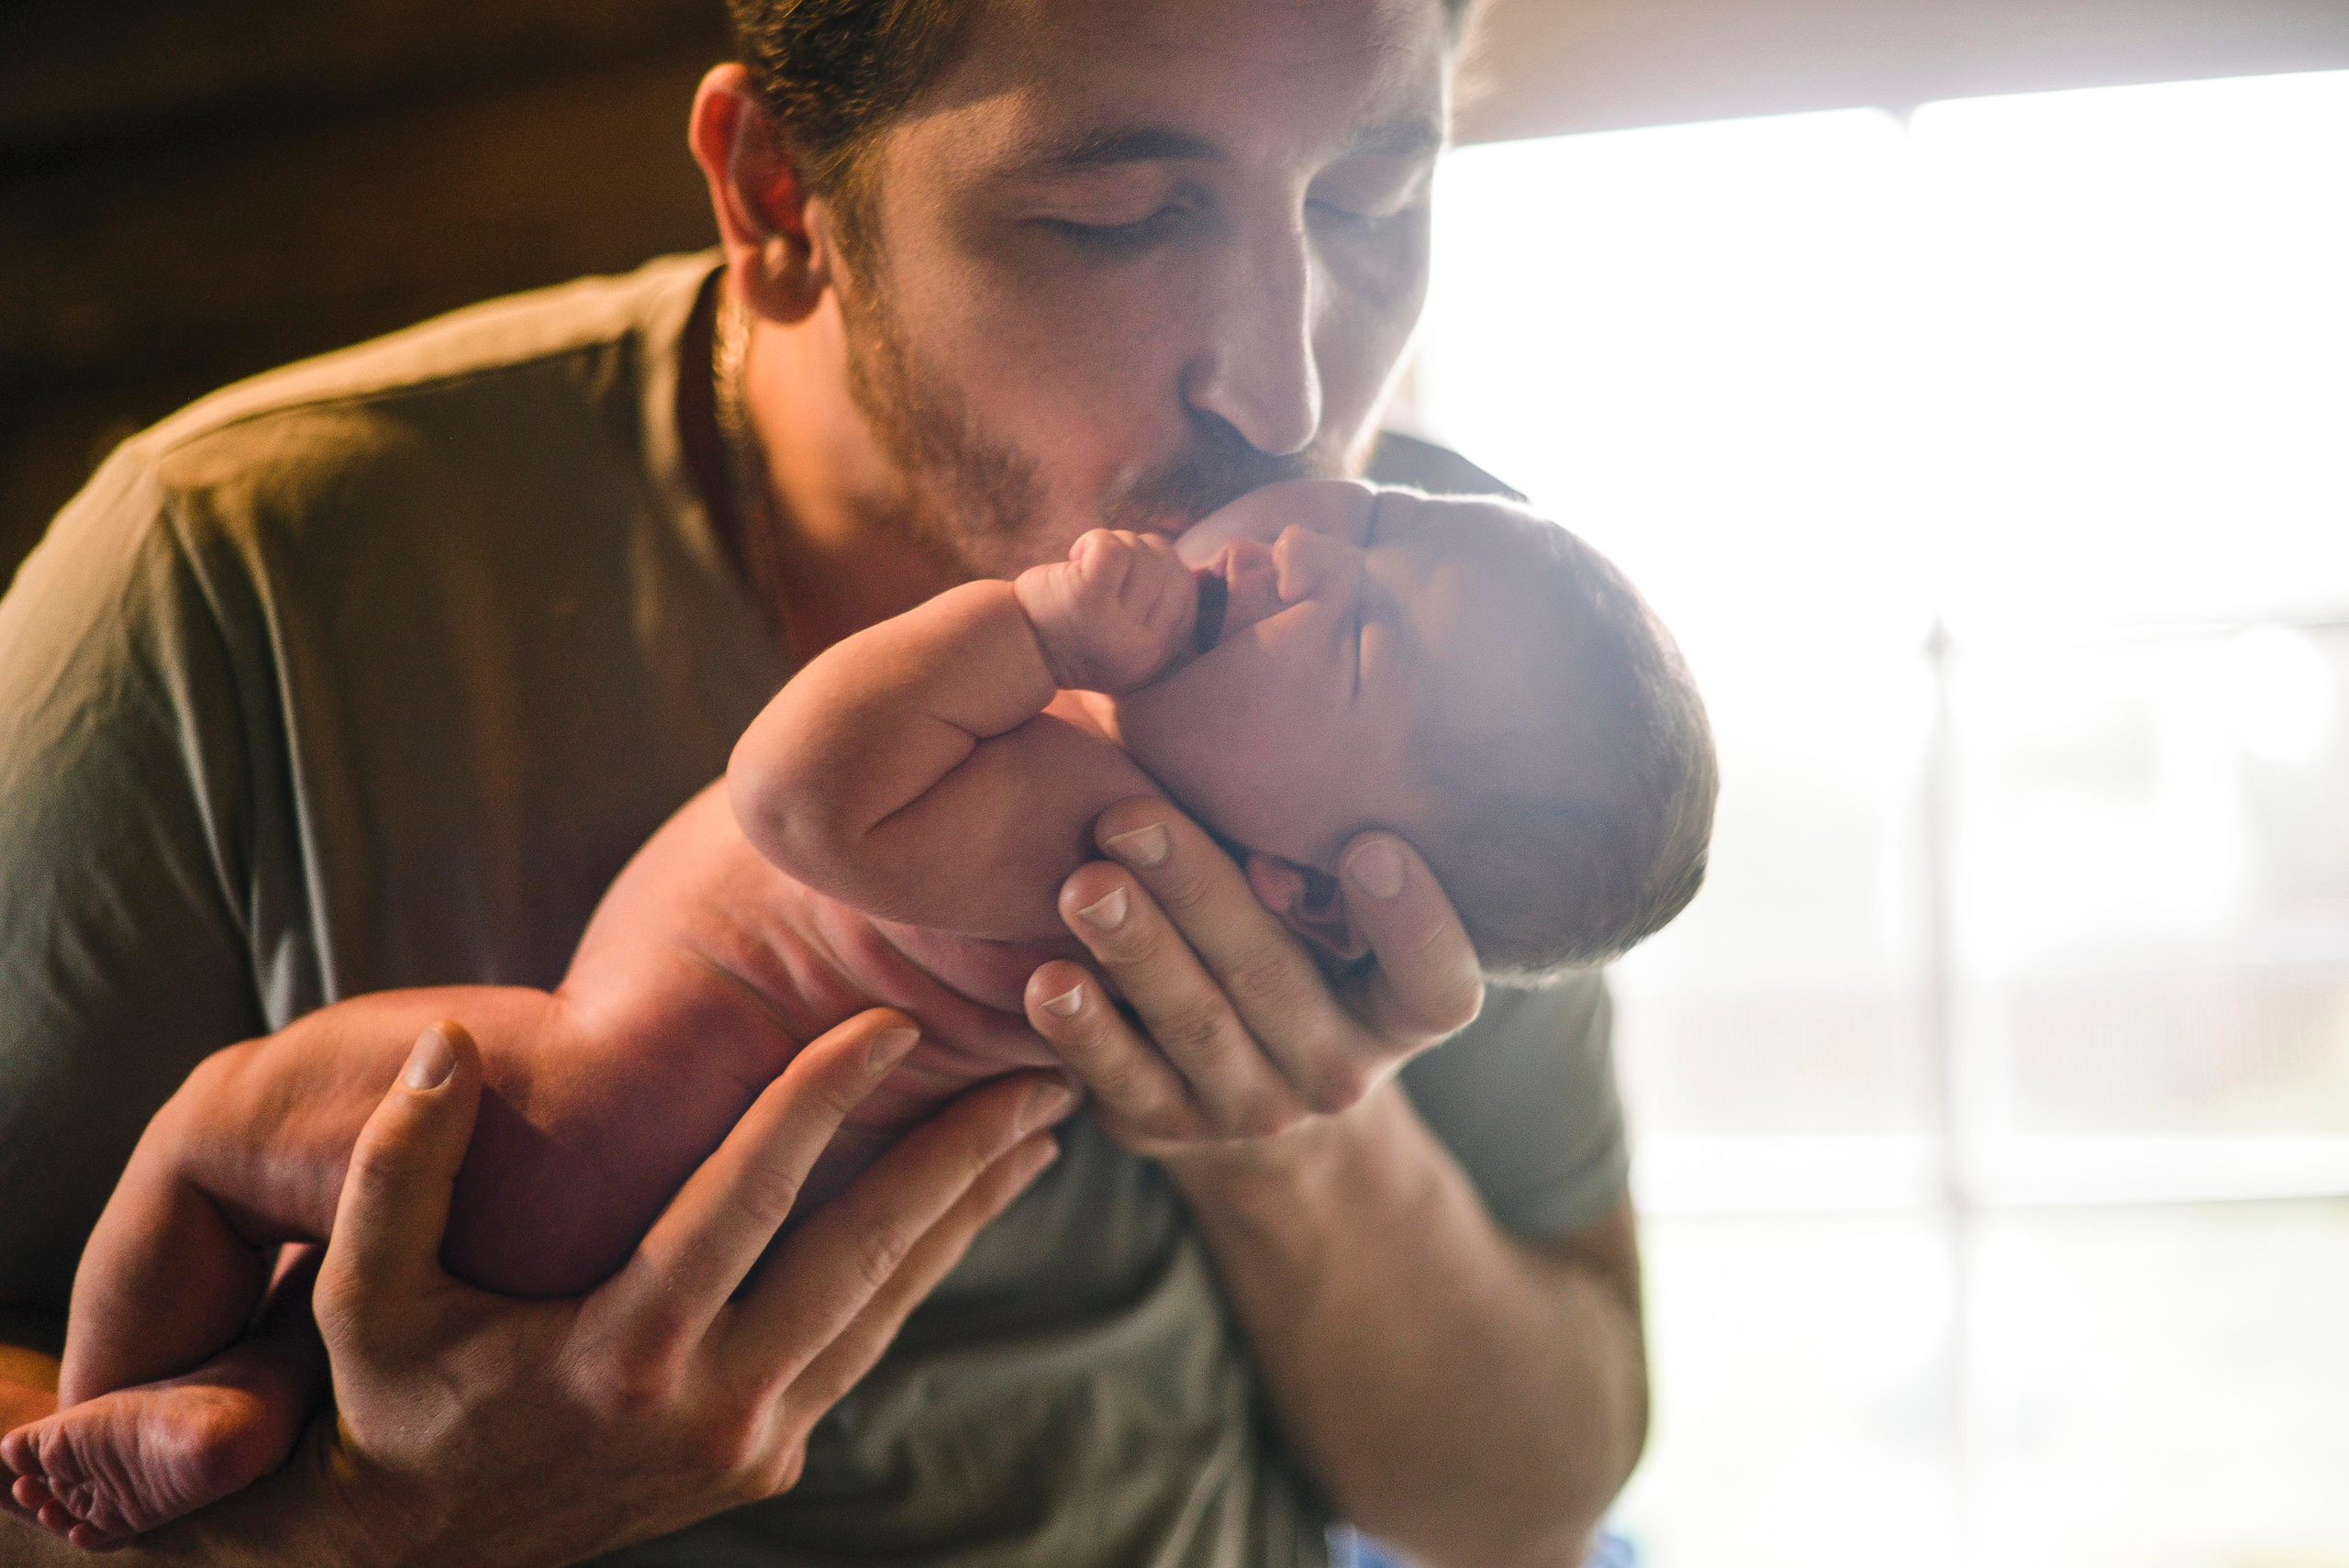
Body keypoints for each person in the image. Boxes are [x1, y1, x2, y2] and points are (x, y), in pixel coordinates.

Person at [0, 1, 1657, 1563]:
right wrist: (341, 1532)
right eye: (1119, 217)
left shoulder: (1435, 660)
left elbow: (1528, 1494)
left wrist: (1291, 1139)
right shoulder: (231, 575)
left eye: (1373, 202)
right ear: (782, 196)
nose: (1288, 398)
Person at [8, 480, 1714, 1546]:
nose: (1311, 554)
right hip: (620, 1180)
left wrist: (1035, 620)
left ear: (1324, 899)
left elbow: (804, 793)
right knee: (290, 1271)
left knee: (222, 1128)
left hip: (593, 1110)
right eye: (1391, 523)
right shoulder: (1144, 796)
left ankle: (116, 1422)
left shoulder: (1099, 832)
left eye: (1358, 654)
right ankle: (216, 1415)